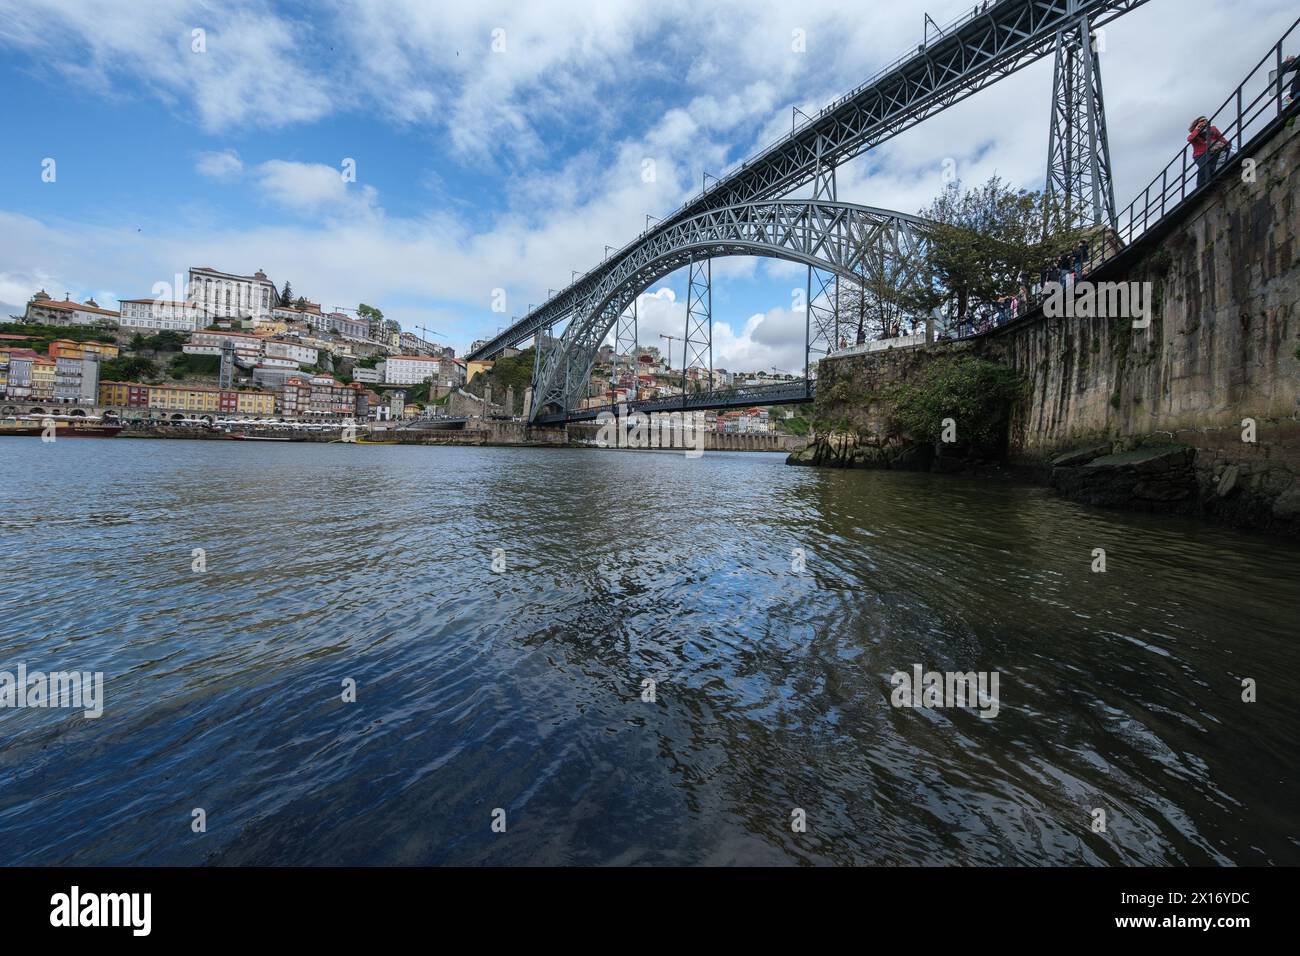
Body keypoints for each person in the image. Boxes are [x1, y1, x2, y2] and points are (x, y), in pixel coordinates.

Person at [1188, 116, 1231, 189]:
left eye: (1206, 120)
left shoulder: (1212, 129)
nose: (1204, 122)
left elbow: (1220, 137)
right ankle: (1200, 186)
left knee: (1212, 167)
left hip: (1212, 152)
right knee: (1204, 167)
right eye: (1202, 121)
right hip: (1200, 154)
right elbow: (1190, 139)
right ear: (1197, 123)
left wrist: (1226, 143)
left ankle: (1212, 182)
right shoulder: (1195, 133)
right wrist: (1197, 129)